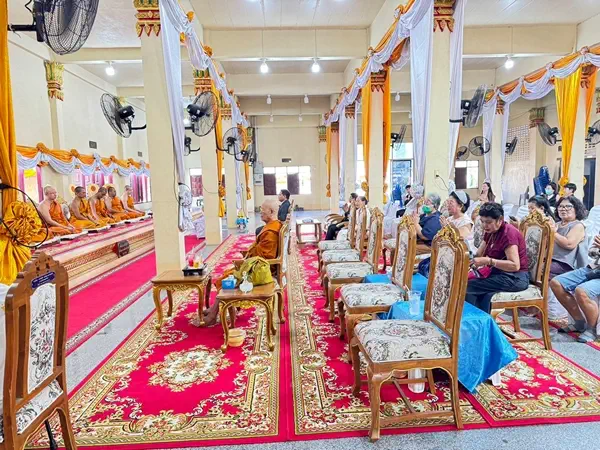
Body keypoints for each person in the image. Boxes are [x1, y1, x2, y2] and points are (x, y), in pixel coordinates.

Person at [205, 199, 283, 325]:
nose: (260, 212)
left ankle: (213, 314)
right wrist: (249, 254)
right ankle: (215, 308)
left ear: (271, 211)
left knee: (228, 279)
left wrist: (247, 257)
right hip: (260, 265)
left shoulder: (270, 232)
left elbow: (266, 256)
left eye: (263, 210)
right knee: (228, 275)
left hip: (263, 270)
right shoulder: (273, 225)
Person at [465, 202, 529, 313]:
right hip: (498, 273)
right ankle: (478, 316)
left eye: (488, 222)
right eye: (482, 221)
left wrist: (489, 261)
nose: (485, 225)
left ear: (500, 220)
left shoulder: (508, 234)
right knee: (465, 279)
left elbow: (515, 265)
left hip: (515, 277)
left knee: (467, 286)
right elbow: (479, 253)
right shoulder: (491, 231)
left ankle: (476, 319)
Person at [550, 234, 600, 343]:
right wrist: (597, 249)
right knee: (556, 283)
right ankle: (579, 322)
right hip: (594, 268)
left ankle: (591, 329)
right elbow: (591, 252)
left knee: (582, 291)